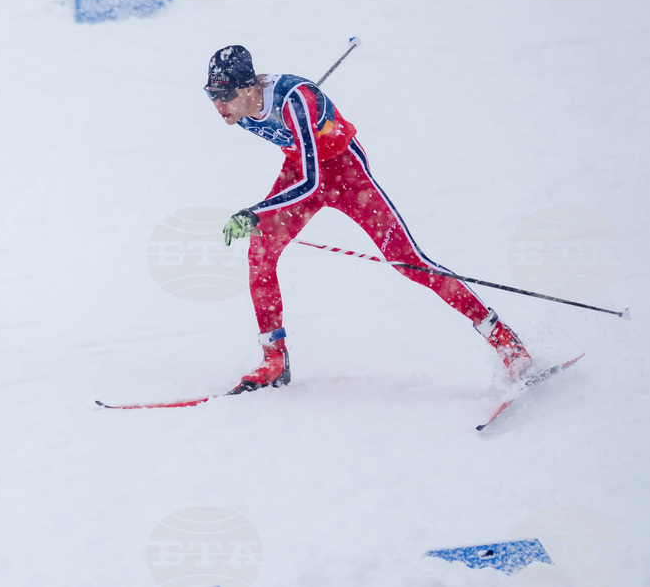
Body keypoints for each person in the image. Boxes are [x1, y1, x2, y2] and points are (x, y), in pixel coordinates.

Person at [203, 45, 531, 395]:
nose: (219, 105)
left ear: (249, 87)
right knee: (261, 254)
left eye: (226, 95)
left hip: (347, 176)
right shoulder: (240, 111)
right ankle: (274, 359)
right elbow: (304, 168)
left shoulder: (294, 100)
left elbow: (313, 181)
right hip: (301, 172)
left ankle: (501, 337)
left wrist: (257, 212)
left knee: (409, 262)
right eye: (212, 95)